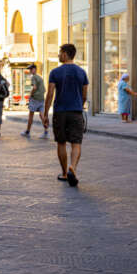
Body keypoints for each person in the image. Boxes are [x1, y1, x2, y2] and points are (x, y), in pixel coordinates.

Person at [43, 43, 88, 188]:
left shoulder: (55, 72)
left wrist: (45, 114)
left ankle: (64, 173)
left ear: (65, 54)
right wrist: (79, 106)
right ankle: (73, 168)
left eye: (60, 52)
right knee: (76, 143)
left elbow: (50, 94)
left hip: (60, 112)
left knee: (61, 142)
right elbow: (84, 94)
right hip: (76, 111)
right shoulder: (82, 72)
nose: (58, 55)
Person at [21, 63, 48, 138]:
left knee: (31, 116)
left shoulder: (33, 77)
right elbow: (44, 89)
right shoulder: (40, 77)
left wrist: (30, 95)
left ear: (34, 69)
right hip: (42, 98)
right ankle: (46, 132)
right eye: (29, 69)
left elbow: (34, 87)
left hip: (35, 99)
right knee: (42, 115)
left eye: (31, 69)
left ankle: (27, 131)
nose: (30, 71)